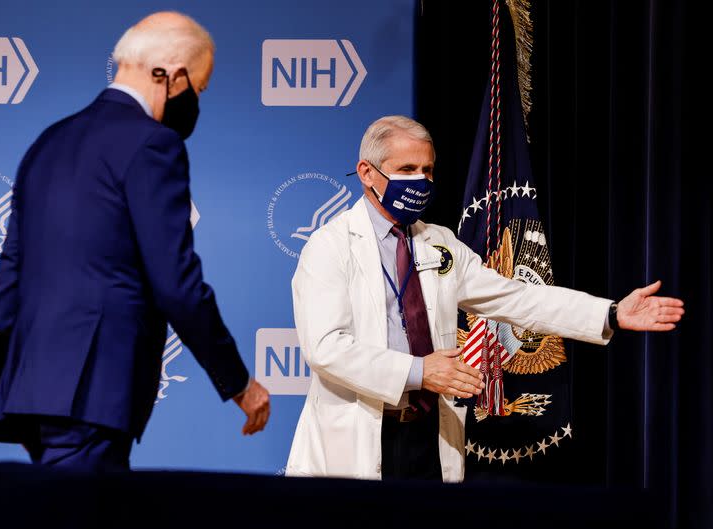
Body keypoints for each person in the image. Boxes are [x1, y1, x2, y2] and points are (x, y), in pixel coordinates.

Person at [285, 115, 684, 482]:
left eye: (427, 170)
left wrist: (610, 312)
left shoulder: (439, 242)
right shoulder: (330, 246)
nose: (421, 181)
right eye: (407, 170)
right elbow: (326, 348)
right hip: (358, 434)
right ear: (367, 173)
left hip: (428, 437)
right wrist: (418, 372)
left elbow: (519, 299)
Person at [0, 11, 270, 471]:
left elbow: (7, 285)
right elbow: (176, 284)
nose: (196, 100)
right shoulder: (154, 144)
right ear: (174, 77)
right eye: (199, 88)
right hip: (93, 392)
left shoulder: (48, 141)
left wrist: (25, 385)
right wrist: (239, 382)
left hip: (32, 396)